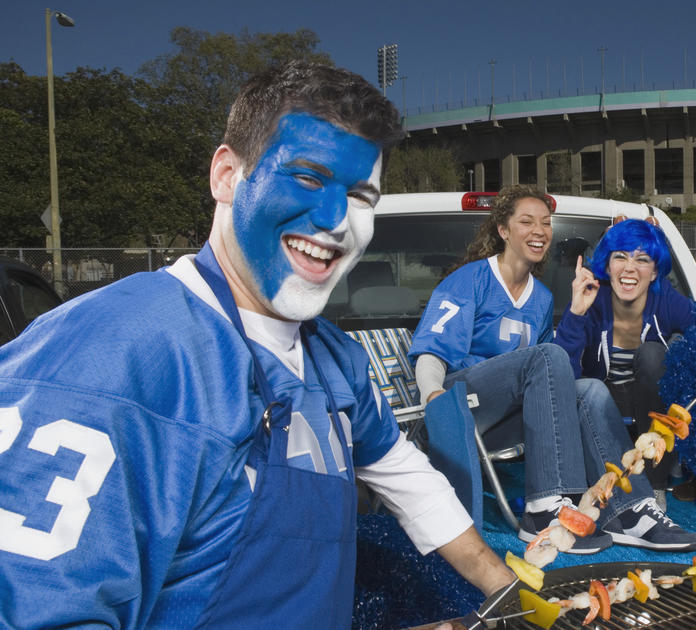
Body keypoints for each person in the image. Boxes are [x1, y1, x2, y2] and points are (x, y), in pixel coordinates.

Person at [0, 61, 513, 629]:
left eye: (362, 195)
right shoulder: (111, 358)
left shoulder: (335, 358)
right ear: (226, 175)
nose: (335, 220)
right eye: (309, 178)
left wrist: (511, 593)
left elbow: (405, 476)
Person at [408, 185, 696, 552]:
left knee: (591, 389)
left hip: (505, 423)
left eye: (546, 223)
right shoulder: (470, 280)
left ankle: (629, 509)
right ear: (503, 230)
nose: (539, 230)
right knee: (546, 356)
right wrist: (434, 400)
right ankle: (544, 507)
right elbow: (431, 354)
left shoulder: (542, 298)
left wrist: (576, 312)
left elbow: (553, 377)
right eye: (526, 221)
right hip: (460, 409)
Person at [553, 217, 696, 504]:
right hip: (599, 405)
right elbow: (561, 371)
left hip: (653, 406)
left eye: (642, 259)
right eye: (620, 257)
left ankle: (655, 485)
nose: (629, 267)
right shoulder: (592, 298)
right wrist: (576, 313)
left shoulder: (664, 297)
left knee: (653, 354)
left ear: (654, 272)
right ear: (607, 266)